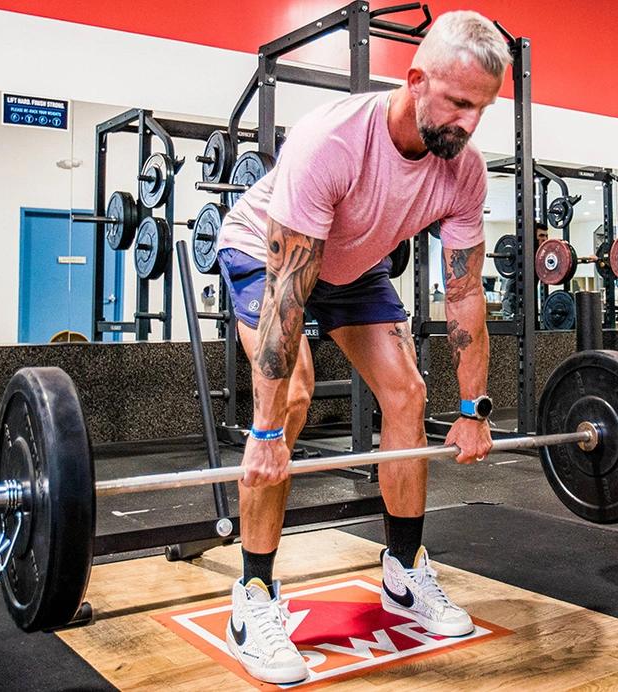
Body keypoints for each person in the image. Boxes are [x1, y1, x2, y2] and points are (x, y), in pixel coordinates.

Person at [213, 11, 508, 684]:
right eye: (459, 102)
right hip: (270, 252)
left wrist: (473, 407)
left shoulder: (463, 171)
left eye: (482, 108)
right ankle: (253, 596)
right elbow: (290, 294)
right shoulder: (335, 140)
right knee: (291, 394)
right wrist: (263, 430)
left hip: (351, 262)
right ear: (416, 80)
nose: (468, 122)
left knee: (407, 393)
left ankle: (404, 572)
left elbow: (463, 296)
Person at [499, 221, 548, 318]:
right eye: (541, 235)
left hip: (529, 300)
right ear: (533, 238)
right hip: (512, 301)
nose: (545, 239)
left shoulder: (540, 256)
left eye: (546, 236)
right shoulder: (522, 254)